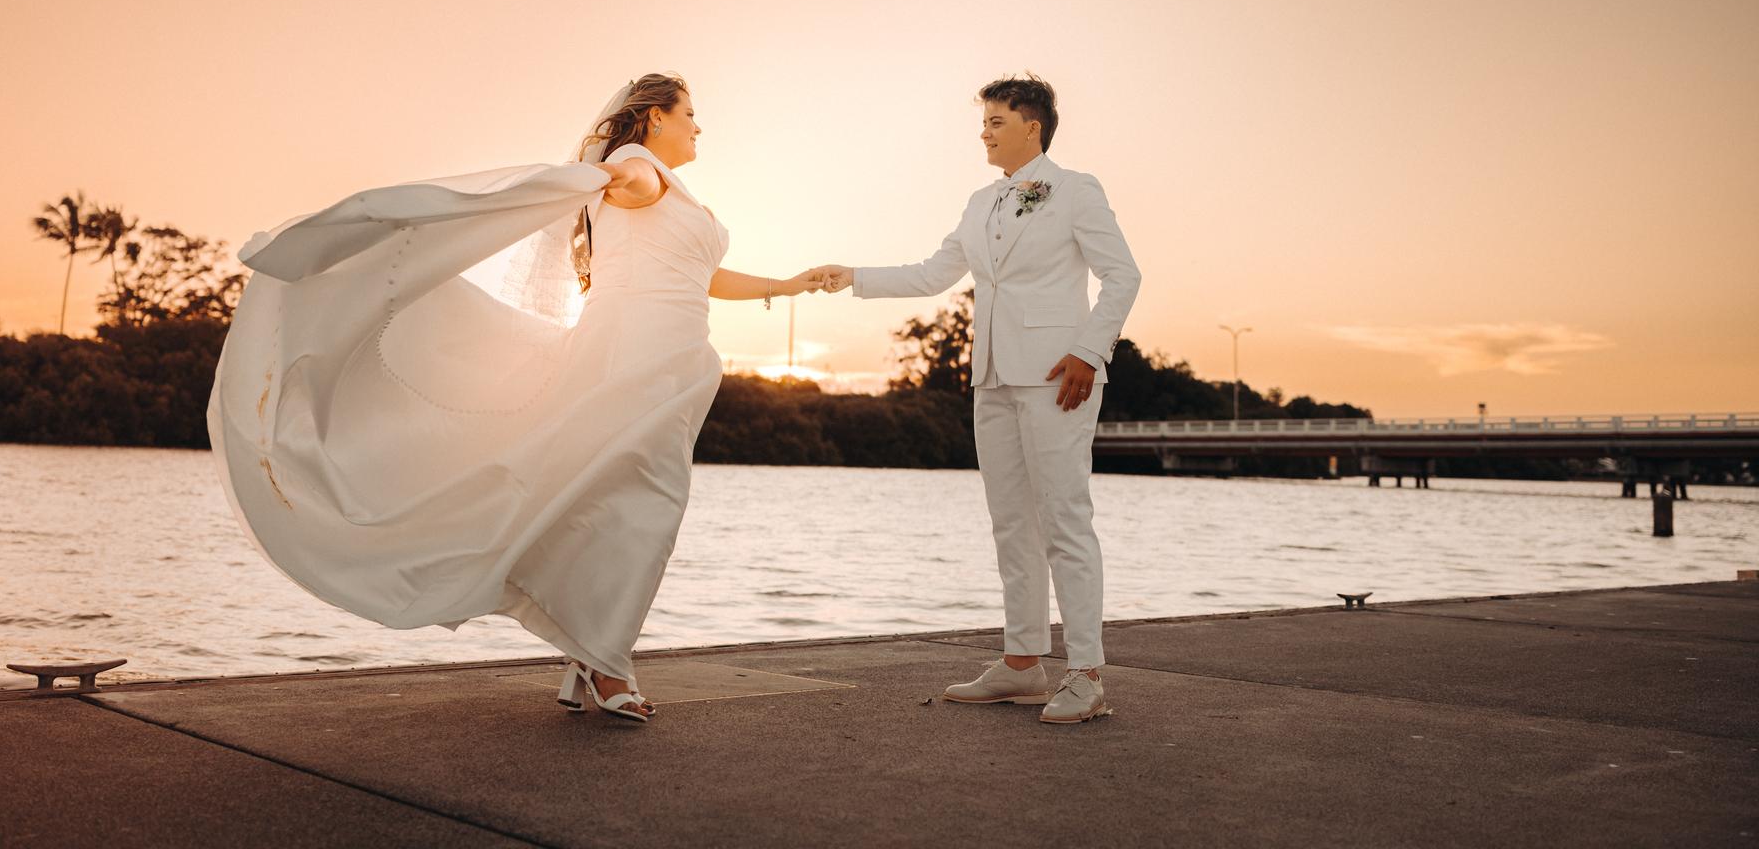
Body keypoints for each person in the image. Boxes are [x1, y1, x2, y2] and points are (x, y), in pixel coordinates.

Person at [208, 73, 823, 723]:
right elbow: (626, 184)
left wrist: (786, 285)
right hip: (631, 359)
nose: (699, 126)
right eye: (690, 113)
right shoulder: (635, 168)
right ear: (653, 119)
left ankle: (587, 653)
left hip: (671, 365)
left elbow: (703, 274)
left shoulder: (674, 189)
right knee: (645, 504)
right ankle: (605, 663)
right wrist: (603, 178)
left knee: (609, 502)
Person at [816, 73, 1141, 725]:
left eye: (996, 121)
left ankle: (1087, 674)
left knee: (1064, 523)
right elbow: (934, 274)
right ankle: (1023, 663)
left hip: (1059, 379)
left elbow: (1123, 276)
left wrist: (1090, 350)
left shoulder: (1076, 190)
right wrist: (851, 277)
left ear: (1033, 127)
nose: (984, 132)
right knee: (1011, 525)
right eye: (984, 121)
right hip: (991, 379)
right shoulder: (978, 203)